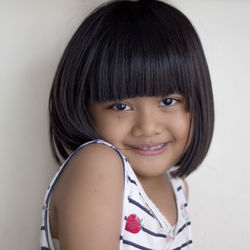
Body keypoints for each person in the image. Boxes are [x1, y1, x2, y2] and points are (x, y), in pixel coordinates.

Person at [40, 0, 214, 249]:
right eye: (121, 106)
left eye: (168, 101)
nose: (148, 127)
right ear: (84, 108)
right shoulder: (98, 165)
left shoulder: (179, 190)